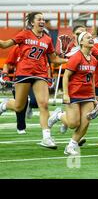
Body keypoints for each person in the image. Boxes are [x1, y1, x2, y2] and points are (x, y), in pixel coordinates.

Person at [0, 12, 68, 149]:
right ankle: (4, 104)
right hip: (23, 73)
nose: (42, 21)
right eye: (39, 19)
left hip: (40, 74)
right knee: (19, 106)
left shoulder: (47, 39)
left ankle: (46, 137)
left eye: (43, 19)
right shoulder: (24, 34)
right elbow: (5, 44)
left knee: (44, 104)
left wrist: (69, 60)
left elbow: (53, 59)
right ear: (32, 22)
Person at [47, 32, 97, 155]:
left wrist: (94, 97)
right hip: (74, 94)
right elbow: (66, 76)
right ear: (81, 42)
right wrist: (65, 94)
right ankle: (59, 115)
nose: (91, 39)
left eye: (92, 37)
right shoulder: (76, 57)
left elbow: (92, 79)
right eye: (88, 38)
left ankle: (70, 146)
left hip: (88, 95)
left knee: (85, 123)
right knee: (73, 124)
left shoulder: (94, 60)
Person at [1, 45, 38, 134]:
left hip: (36, 78)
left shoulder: (41, 47)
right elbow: (8, 63)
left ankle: (30, 105)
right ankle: (20, 126)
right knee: (20, 107)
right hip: (20, 78)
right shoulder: (17, 48)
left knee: (36, 101)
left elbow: (47, 64)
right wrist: (5, 75)